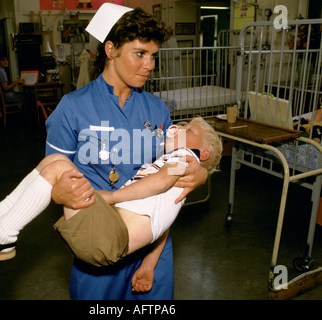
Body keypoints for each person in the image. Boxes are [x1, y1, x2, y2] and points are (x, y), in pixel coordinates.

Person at [44, 4, 208, 299]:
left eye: (153, 56)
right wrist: (58, 194)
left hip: (152, 244)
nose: (150, 65)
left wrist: (202, 172)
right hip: (100, 241)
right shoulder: (72, 108)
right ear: (111, 50)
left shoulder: (158, 109)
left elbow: (167, 193)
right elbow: (50, 179)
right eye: (140, 54)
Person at [0, 118, 222, 275]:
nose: (180, 127)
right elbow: (161, 207)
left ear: (202, 153)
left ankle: (3, 236)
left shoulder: (186, 158)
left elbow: (160, 182)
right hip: (106, 234)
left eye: (190, 130)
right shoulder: (174, 163)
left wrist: (112, 197)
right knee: (54, 161)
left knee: (62, 168)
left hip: (110, 235)